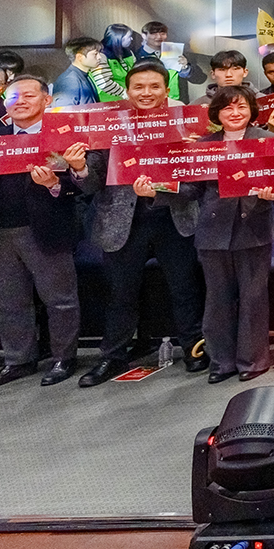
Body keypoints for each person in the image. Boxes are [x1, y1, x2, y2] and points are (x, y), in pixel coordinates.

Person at [77, 60, 207, 385]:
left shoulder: (185, 124)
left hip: (173, 218)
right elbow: (91, 183)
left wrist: (166, 183)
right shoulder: (109, 124)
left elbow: (195, 184)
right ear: (127, 90)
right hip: (121, 222)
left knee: (185, 289)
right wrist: (78, 167)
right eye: (139, 87)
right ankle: (112, 356)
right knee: (120, 294)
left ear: (166, 89)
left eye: (154, 86)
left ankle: (194, 349)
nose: (146, 93)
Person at [0, 74, 86, 388]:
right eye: (13, 97)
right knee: (8, 303)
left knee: (60, 300)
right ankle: (18, 360)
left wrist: (55, 184)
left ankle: (63, 359)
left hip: (45, 230)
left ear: (47, 100)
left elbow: (84, 187)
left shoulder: (63, 136)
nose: (20, 102)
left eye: (29, 95)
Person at [176, 86, 274, 383]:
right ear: (217, 113)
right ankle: (221, 362)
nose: (235, 113)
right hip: (213, 230)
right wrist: (157, 189)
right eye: (227, 108)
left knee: (253, 297)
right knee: (217, 299)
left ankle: (252, 361)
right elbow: (191, 189)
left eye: (241, 107)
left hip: (254, 227)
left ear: (252, 110)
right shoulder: (204, 145)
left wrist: (273, 193)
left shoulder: (266, 140)